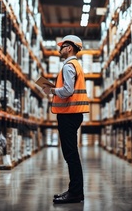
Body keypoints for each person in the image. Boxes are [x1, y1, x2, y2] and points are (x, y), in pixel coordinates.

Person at [41, 35, 90, 204]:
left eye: (62, 46)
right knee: (71, 154)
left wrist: (52, 90)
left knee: (71, 155)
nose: (59, 49)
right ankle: (74, 191)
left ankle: (75, 193)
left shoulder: (69, 66)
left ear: (69, 48)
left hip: (69, 114)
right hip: (72, 114)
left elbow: (68, 91)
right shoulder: (74, 65)